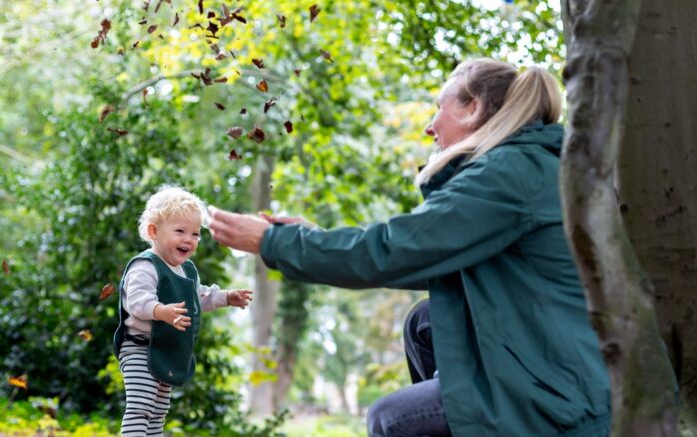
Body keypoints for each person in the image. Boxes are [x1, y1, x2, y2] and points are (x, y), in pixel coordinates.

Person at [208, 58, 611, 436]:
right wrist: (313, 235)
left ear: (473, 109)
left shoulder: (507, 172)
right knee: (424, 322)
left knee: (391, 418)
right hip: (554, 362)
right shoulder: (530, 166)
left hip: (557, 397)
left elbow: (393, 251)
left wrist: (272, 242)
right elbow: (421, 253)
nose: (430, 126)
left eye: (440, 107)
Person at [112, 185, 253, 437]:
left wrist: (226, 297)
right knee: (141, 406)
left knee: (158, 411)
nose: (189, 239)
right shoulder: (145, 266)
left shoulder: (187, 270)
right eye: (180, 231)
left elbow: (199, 297)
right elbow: (137, 302)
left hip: (166, 349)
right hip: (139, 346)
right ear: (154, 231)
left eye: (196, 234)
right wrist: (160, 311)